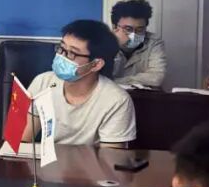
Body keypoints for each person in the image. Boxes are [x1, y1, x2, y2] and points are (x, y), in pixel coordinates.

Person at [24, 20, 136, 148]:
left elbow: (110, 156)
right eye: (61, 48)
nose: (61, 56)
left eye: (72, 53)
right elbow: (22, 140)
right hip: (48, 158)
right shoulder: (43, 82)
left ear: (96, 64)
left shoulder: (117, 101)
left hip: (91, 160)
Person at [110, 0, 167, 88]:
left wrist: (116, 81)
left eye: (140, 29)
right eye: (128, 29)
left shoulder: (154, 42)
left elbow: (156, 78)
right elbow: (97, 77)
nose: (134, 35)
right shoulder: (101, 42)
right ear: (114, 27)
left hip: (144, 95)